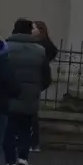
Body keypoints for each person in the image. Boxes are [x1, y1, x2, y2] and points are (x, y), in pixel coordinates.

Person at [3, 19, 50, 165]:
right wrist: (36, 88)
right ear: (30, 31)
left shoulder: (4, 46)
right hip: (30, 96)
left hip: (8, 94)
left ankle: (10, 161)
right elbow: (46, 77)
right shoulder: (40, 50)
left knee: (8, 129)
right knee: (25, 129)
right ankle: (23, 157)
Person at [31, 21, 59, 151]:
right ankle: (32, 142)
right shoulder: (43, 45)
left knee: (30, 114)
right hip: (36, 82)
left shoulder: (40, 46)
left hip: (34, 82)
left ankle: (33, 142)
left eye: (33, 28)